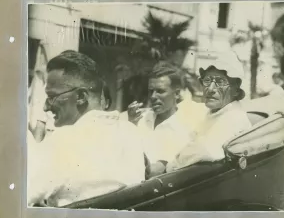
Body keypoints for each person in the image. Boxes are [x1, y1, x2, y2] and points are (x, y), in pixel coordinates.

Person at [28, 50, 145, 207]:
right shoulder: (130, 132)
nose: (45, 106)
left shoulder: (62, 140)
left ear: (81, 97)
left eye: (52, 97)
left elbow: (20, 197)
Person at [166, 51, 253, 172]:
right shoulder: (214, 113)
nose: (210, 89)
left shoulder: (235, 117)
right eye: (207, 80)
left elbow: (204, 151)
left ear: (236, 91)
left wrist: (169, 166)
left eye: (220, 82)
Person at [127, 61, 206, 177]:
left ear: (177, 93)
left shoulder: (186, 128)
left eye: (160, 91)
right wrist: (130, 126)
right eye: (151, 91)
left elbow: (162, 168)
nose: (153, 96)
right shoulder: (139, 118)